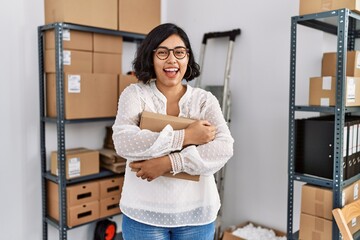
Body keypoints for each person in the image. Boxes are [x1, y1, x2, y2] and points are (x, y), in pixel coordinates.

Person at [112, 23, 234, 240]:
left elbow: (223, 148)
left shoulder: (204, 100)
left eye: (179, 52)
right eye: (162, 53)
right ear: (150, 57)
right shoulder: (135, 95)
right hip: (143, 215)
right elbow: (123, 142)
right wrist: (186, 136)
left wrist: (167, 163)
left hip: (196, 215)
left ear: (187, 58)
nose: (172, 60)